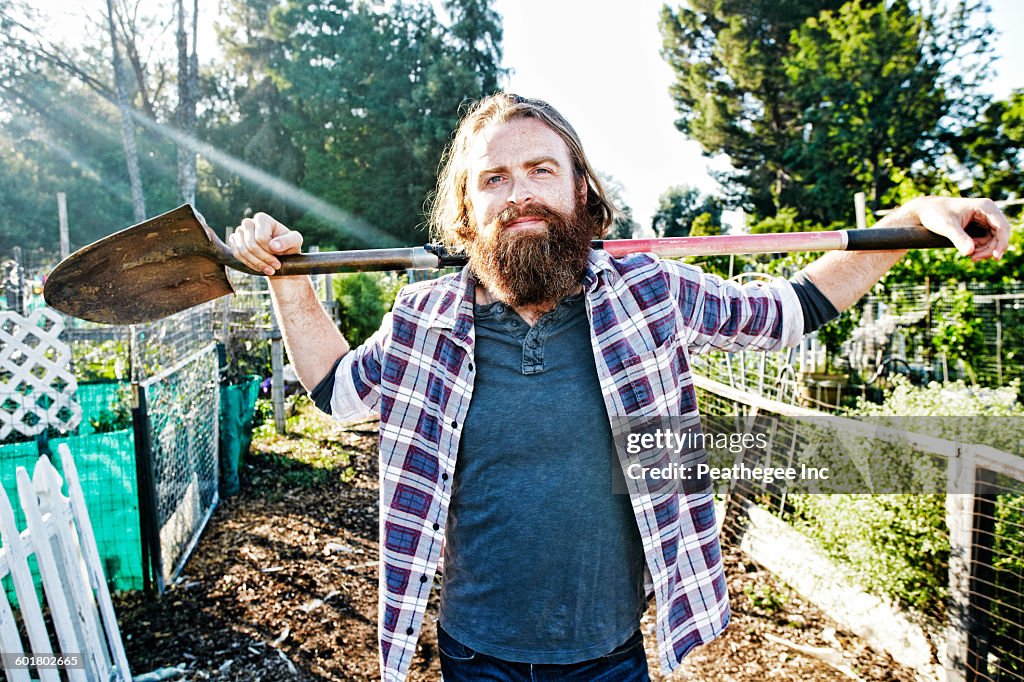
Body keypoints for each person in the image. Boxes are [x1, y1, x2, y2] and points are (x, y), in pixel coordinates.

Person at [229, 93, 1011, 682]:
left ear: (581, 194)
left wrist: (909, 221)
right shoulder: (425, 318)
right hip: (474, 654)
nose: (520, 191)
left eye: (541, 169)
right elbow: (336, 392)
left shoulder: (649, 294)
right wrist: (284, 280)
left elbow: (790, 311)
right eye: (493, 179)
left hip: (610, 655)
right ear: (468, 212)